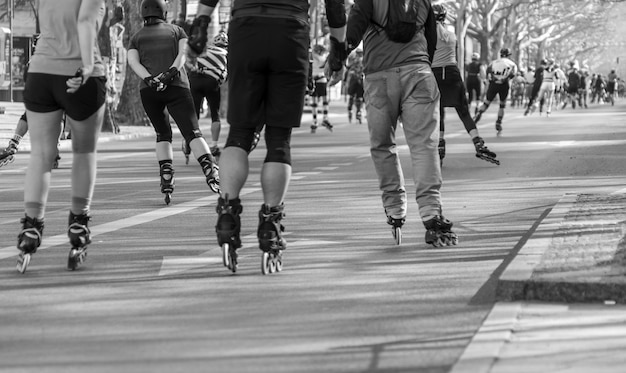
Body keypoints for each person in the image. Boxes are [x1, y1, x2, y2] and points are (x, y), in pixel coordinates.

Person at [188, 0, 348, 274]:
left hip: (246, 29)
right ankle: (270, 227)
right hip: (290, 32)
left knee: (238, 133)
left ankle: (227, 217)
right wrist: (339, 50)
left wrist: (201, 23)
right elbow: (334, 5)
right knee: (278, 139)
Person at [332, 0, 458, 248]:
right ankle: (431, 213)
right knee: (424, 146)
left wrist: (336, 61)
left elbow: (352, 35)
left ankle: (395, 209)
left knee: (383, 145)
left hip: (379, 78)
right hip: (419, 73)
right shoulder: (421, 1)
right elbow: (431, 42)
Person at [16, 0, 107, 273]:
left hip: (41, 71)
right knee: (84, 152)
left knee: (41, 155)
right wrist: (89, 66)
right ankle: (78, 225)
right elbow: (85, 22)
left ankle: (31, 229)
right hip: (80, 71)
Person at [127, 0, 220, 206]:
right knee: (192, 133)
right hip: (177, 86)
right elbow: (182, 55)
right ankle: (209, 169)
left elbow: (133, 62)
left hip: (149, 91)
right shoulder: (177, 30)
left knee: (163, 133)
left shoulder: (136, 37)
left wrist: (151, 80)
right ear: (164, 11)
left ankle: (166, 176)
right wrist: (169, 75)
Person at [430, 3, 498, 166]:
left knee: (438, 113)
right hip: (453, 73)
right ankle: (477, 142)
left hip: (435, 74)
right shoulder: (452, 36)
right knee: (464, 112)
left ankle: (440, 144)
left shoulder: (425, 35)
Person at [0, 35, 62, 170]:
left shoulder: (32, 62)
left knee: (29, 114)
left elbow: (27, 81)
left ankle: (14, 143)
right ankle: (54, 147)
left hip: (38, 95)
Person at [183, 30, 228, 161]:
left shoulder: (204, 50)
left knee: (194, 114)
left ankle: (190, 141)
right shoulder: (226, 54)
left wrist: (193, 70)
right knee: (215, 114)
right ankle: (214, 145)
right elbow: (226, 75)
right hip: (212, 82)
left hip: (196, 79)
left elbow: (187, 61)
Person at [473, 47, 518, 134]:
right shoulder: (512, 64)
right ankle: (498, 122)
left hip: (493, 83)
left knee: (486, 102)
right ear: (509, 55)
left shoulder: (493, 62)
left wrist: (492, 80)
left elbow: (488, 72)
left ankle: (478, 114)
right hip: (504, 84)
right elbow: (513, 75)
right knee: (502, 105)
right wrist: (504, 79)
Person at [309, 43, 333, 133]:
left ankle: (323, 118)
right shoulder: (321, 55)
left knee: (321, 100)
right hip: (317, 78)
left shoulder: (317, 55)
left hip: (319, 78)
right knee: (317, 101)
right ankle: (317, 120)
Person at [345, 48, 365, 124]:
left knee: (353, 97)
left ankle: (353, 111)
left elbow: (347, 68)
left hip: (355, 79)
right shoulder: (362, 60)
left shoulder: (352, 59)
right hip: (357, 79)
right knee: (358, 97)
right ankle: (357, 112)